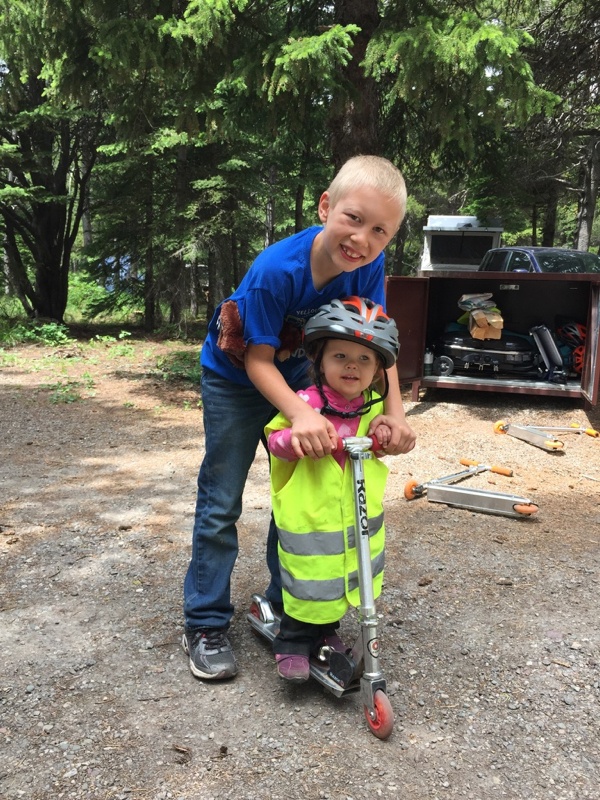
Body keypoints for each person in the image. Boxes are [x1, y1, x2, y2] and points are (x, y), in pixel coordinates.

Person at [182, 154, 416, 681]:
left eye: (379, 230)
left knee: (299, 498)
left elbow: (377, 342)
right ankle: (204, 620)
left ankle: (286, 606)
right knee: (222, 499)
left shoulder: (368, 267)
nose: (361, 238)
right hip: (237, 378)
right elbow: (257, 361)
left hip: (304, 381)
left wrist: (394, 412)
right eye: (353, 219)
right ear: (326, 206)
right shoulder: (276, 271)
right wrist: (297, 412)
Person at [266, 297, 399, 682]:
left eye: (364, 359)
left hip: (354, 518)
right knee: (306, 581)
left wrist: (388, 433)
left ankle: (326, 633)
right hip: (313, 518)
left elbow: (386, 436)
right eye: (340, 356)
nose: (352, 366)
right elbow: (276, 439)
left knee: (342, 580)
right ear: (319, 361)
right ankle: (291, 641)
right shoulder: (306, 404)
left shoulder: (372, 409)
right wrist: (294, 441)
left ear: (377, 371)